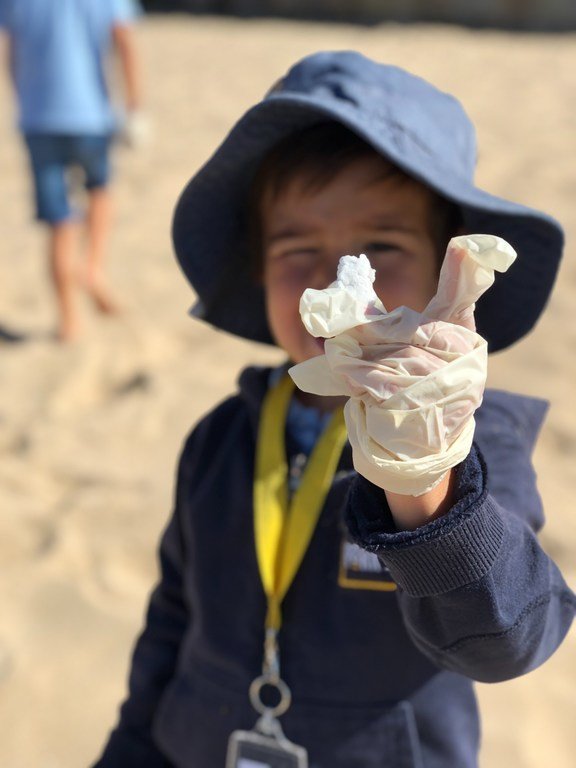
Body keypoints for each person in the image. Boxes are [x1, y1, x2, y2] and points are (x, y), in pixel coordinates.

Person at [93, 51, 575, 767]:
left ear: (452, 276)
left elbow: (507, 637)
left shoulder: (476, 440)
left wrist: (425, 481)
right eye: (296, 246)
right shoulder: (220, 439)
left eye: (382, 244)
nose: (342, 281)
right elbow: (172, 619)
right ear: (256, 268)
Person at [0, 0, 142, 341]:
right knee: (99, 189)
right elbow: (124, 41)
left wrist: (22, 97)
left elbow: (10, 49)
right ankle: (92, 265)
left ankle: (68, 321)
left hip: (37, 119)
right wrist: (135, 106)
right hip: (91, 115)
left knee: (58, 220)